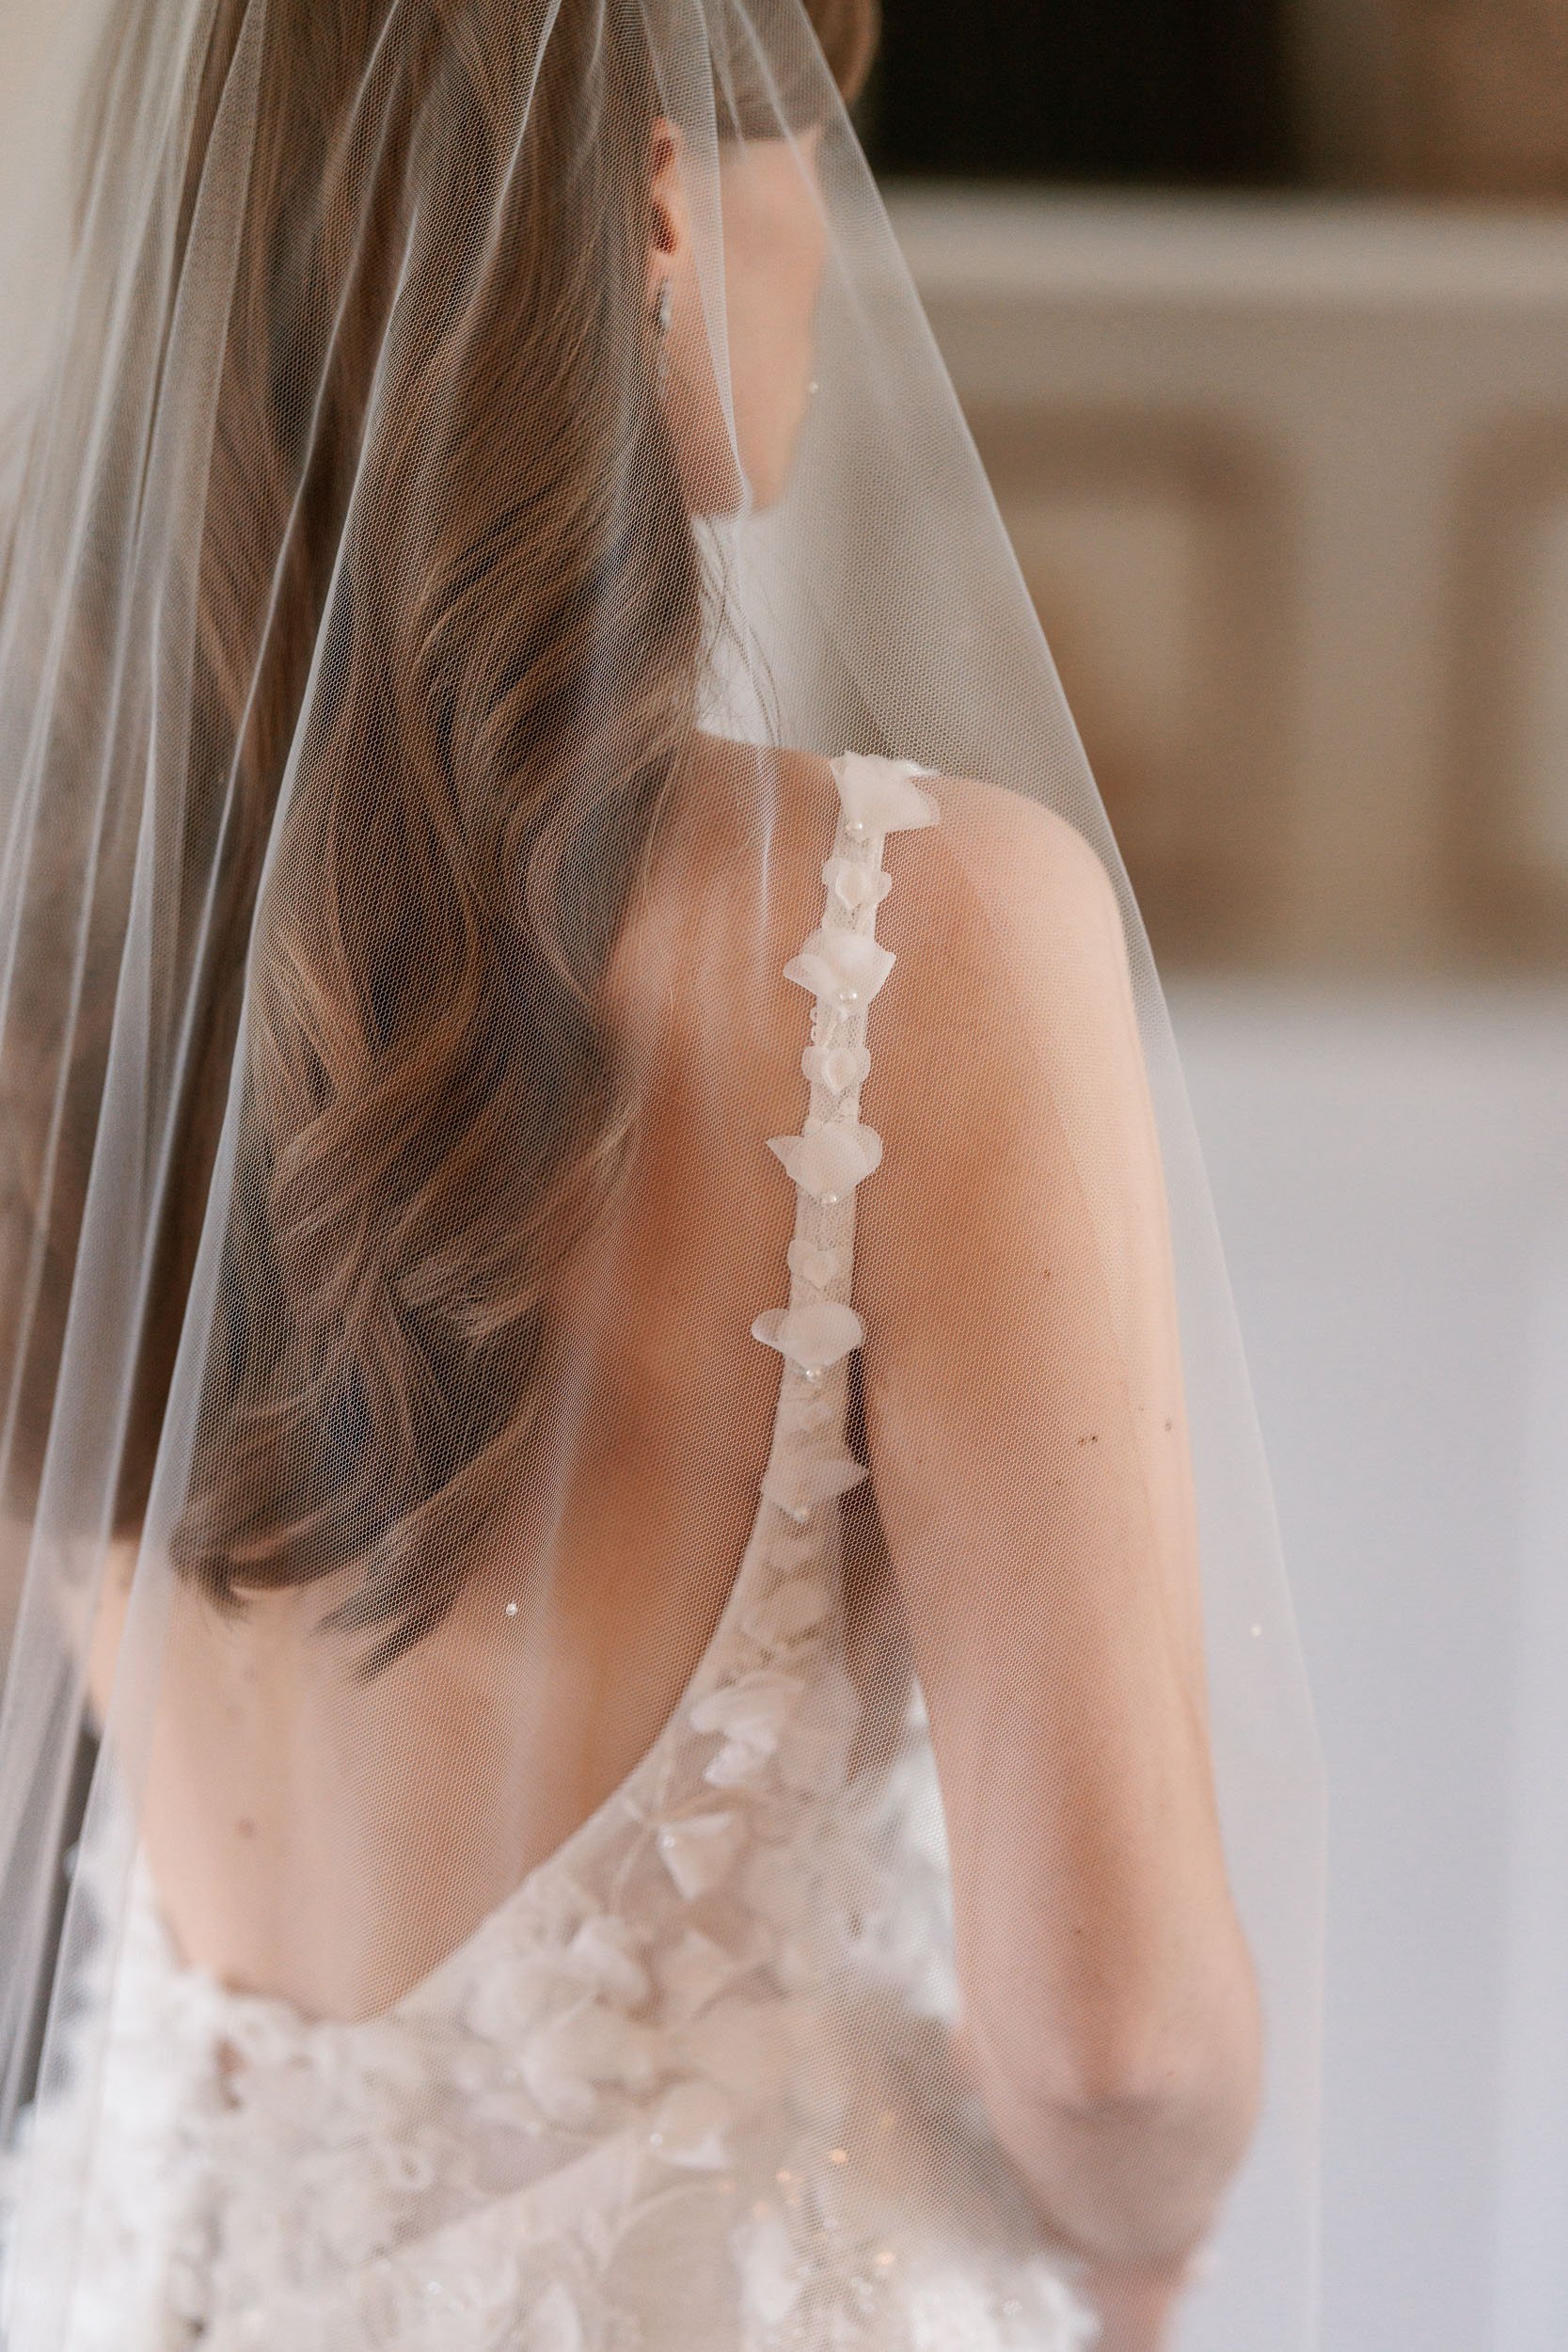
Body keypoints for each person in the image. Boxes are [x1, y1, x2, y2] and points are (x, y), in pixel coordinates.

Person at [0, 1, 1322, 2346]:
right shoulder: (923, 947)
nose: (838, 223)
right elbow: (1113, 2033)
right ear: (641, 207)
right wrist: (1149, 2219)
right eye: (809, 131)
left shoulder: (52, 948)